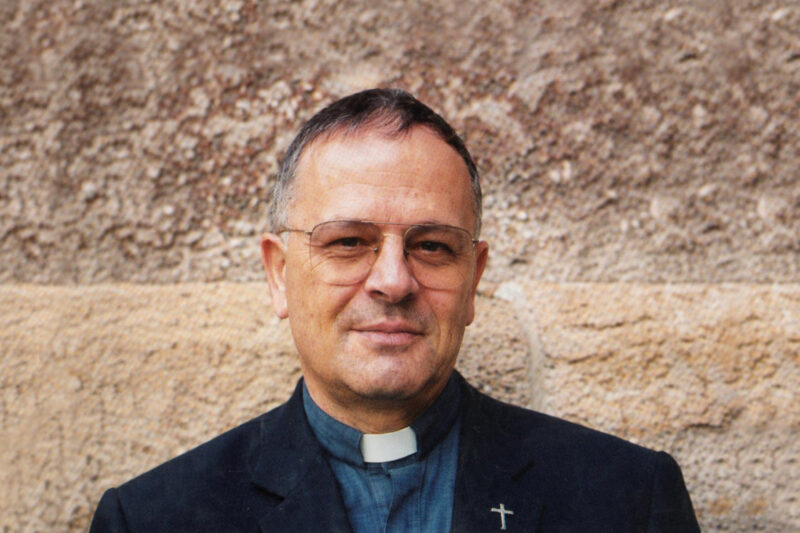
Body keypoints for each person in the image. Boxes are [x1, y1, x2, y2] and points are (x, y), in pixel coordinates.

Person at [90, 88, 700, 532]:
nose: (392, 281)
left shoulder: (627, 501)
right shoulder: (152, 520)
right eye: (347, 242)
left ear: (473, 280)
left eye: (431, 246)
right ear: (279, 274)